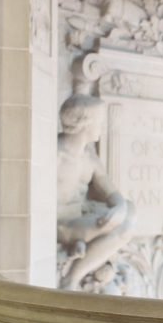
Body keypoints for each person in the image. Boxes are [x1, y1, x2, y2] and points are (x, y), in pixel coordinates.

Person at [56, 94, 135, 289]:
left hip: (81, 214)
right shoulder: (55, 154)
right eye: (99, 121)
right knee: (123, 230)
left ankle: (86, 248)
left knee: (129, 209)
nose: (102, 127)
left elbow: (109, 189)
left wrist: (120, 207)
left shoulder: (88, 154)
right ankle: (71, 279)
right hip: (61, 222)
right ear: (85, 123)